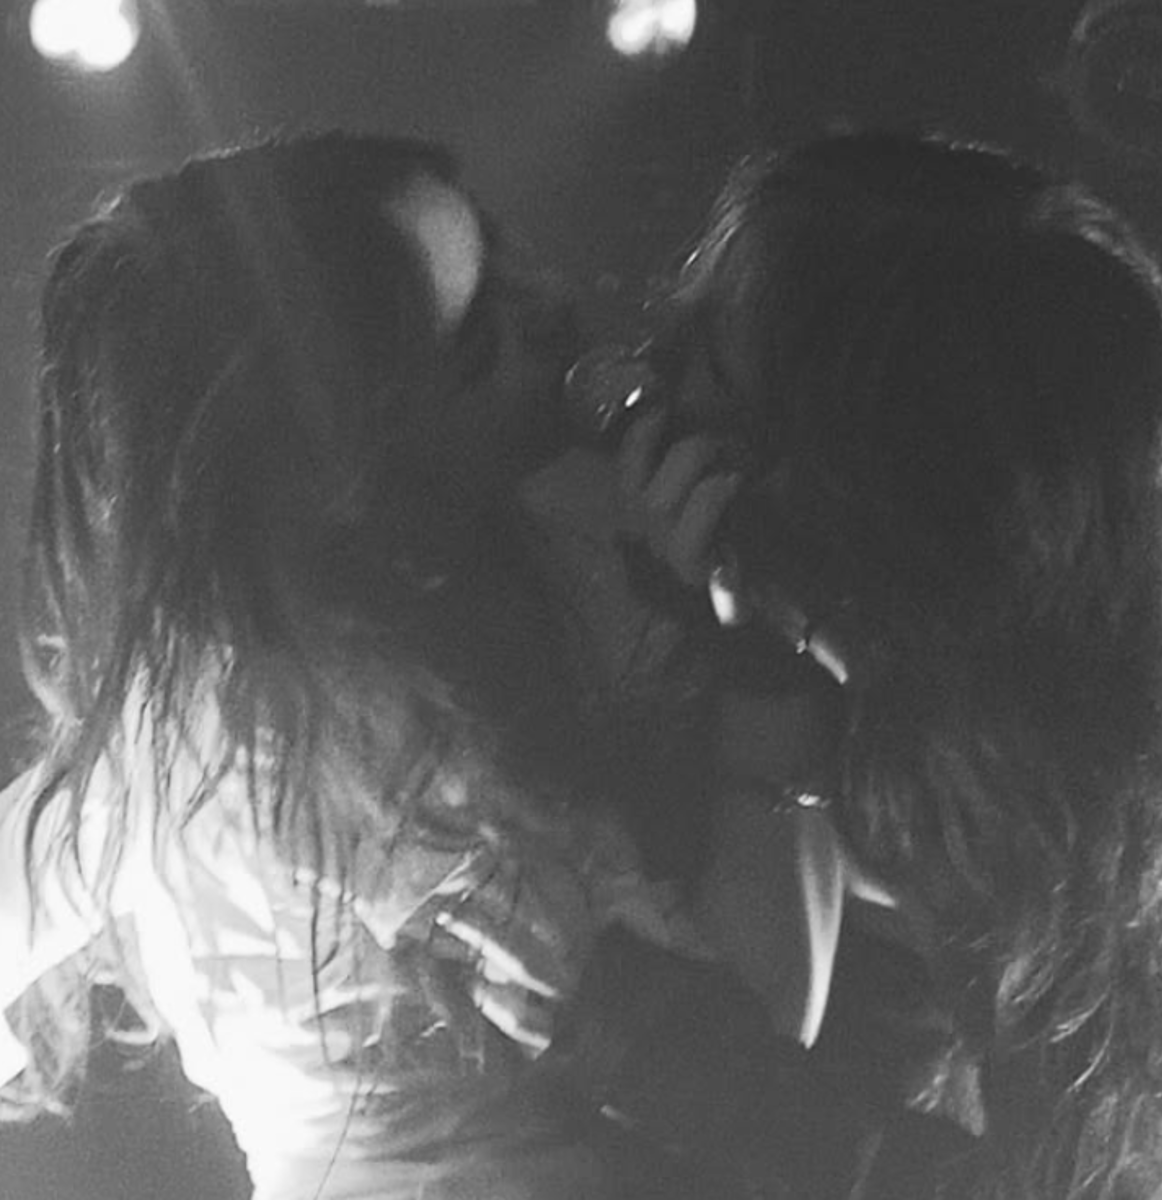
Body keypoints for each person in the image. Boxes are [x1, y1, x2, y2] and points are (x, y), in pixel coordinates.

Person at [0, 128, 715, 1200]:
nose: (551, 302)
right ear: (351, 443)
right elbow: (751, 1070)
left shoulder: (191, 698)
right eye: (481, 327)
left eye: (500, 243)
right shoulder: (340, 739)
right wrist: (761, 683)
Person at [543, 130, 1162, 1199]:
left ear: (857, 467)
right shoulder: (898, 651)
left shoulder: (1063, 789)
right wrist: (765, 645)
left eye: (710, 364)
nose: (645, 378)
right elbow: (779, 995)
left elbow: (1088, 1169)